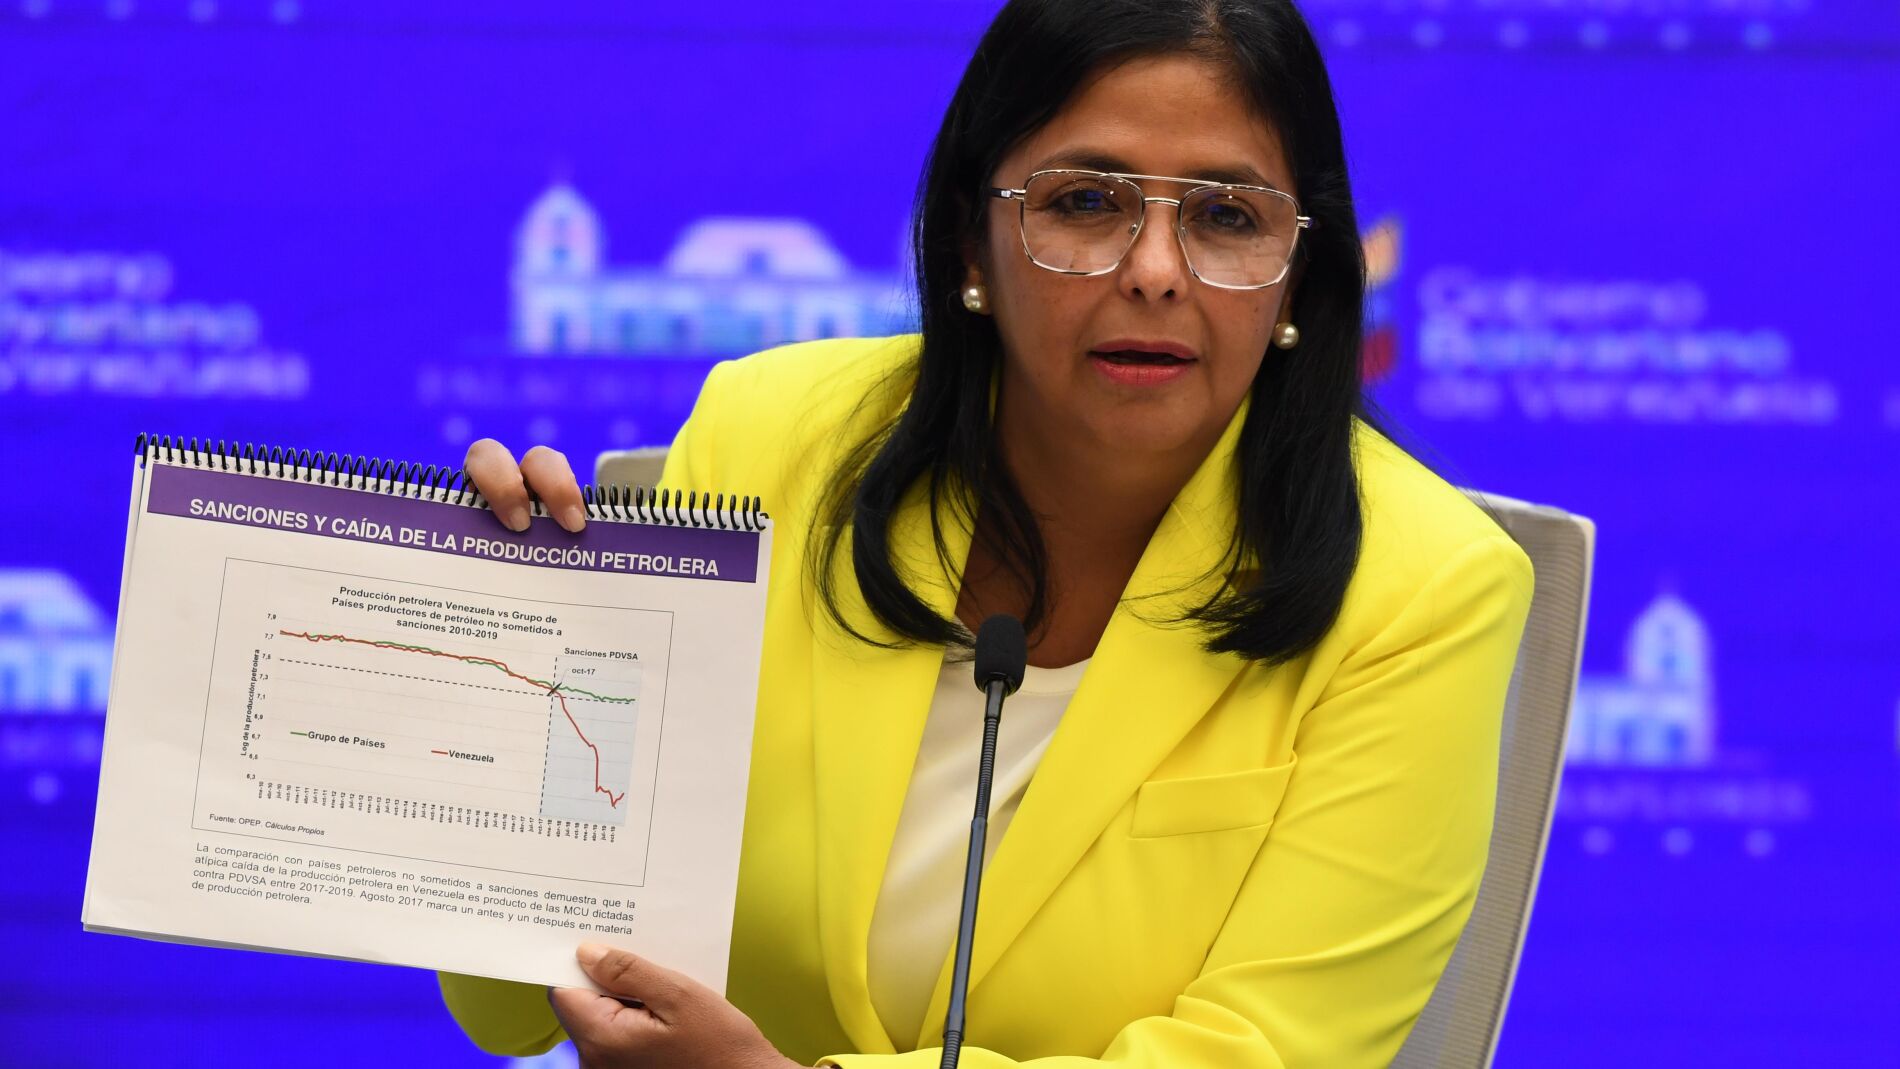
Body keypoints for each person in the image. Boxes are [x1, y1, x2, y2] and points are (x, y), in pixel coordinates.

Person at [442, 1, 1535, 1066]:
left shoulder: (1423, 591)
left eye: (1226, 216)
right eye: (1086, 202)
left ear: (1297, 267)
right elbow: (516, 998)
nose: (1155, 270)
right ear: (972, 241)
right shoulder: (770, 441)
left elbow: (1257, 1053)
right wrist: (518, 669)